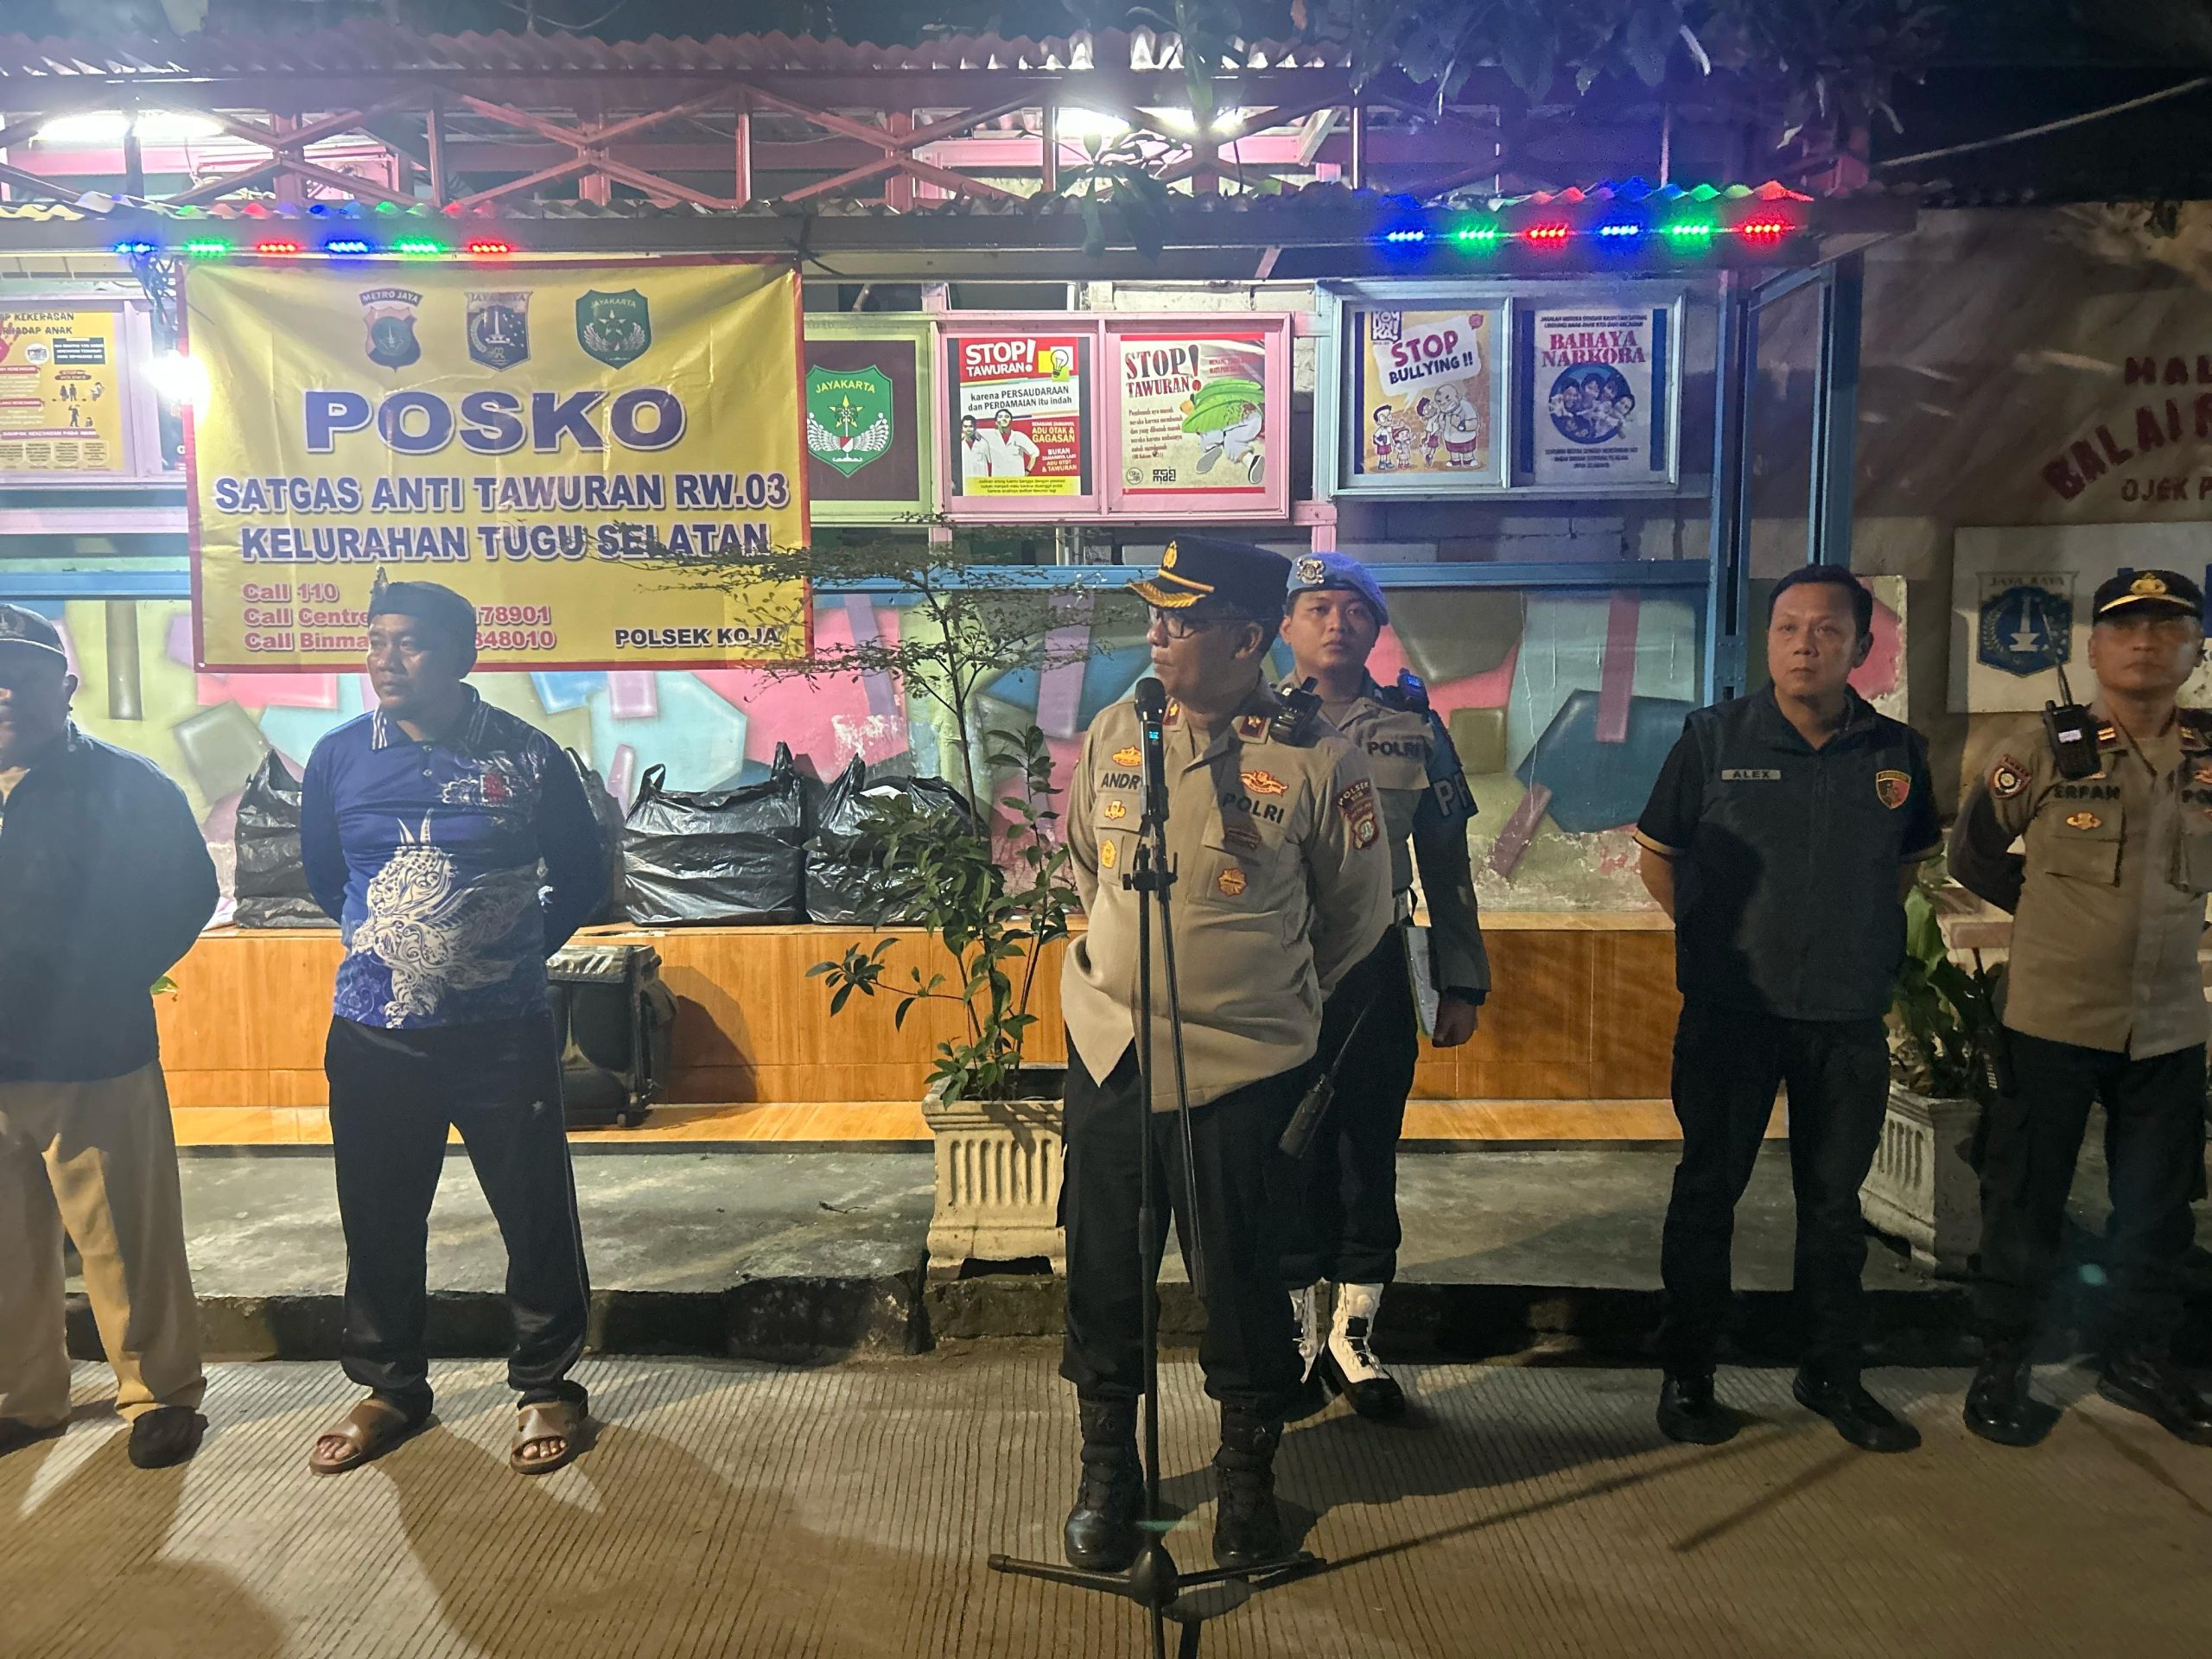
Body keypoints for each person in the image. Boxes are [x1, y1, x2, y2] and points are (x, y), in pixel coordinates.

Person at [1058, 537, 1391, 1573]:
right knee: (1104, 1273)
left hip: (1243, 1072)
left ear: (1247, 640)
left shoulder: (1318, 758)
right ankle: (1109, 1470)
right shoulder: (1118, 728)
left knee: (1246, 1284)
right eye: (1154, 615)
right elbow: (1086, 868)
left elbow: (1356, 916)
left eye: (1182, 618)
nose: (1156, 634)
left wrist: (1254, 997)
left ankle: (1248, 1482)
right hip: (1113, 1054)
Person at [300, 576, 606, 1478]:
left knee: (534, 1212)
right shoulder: (338, 757)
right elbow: (326, 876)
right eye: (375, 641)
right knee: (379, 1217)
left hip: (502, 1031)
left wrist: (510, 948)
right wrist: (402, 949)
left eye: (410, 642)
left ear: (463, 655)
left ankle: (547, 1383)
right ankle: (390, 1387)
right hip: (374, 1032)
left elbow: (581, 876)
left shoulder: (528, 755)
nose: (386, 660)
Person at [1635, 565, 1941, 1453]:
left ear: (1861, 647)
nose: (1805, 644)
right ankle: (1688, 1374)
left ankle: (1831, 1372)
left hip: (1844, 1018)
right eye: (1787, 628)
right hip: (1732, 1014)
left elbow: (1901, 868)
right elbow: (1658, 856)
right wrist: (1718, 941)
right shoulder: (1712, 738)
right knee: (1707, 1194)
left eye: (1826, 629)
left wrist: (1850, 947)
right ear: (1767, 641)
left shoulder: (1897, 753)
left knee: (1835, 1209)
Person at [1950, 569, 2212, 1447]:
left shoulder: (2208, 757)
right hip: (2052, 1018)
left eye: (2168, 628)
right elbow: (1973, 853)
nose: (2146, 643)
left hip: (2167, 1023)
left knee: (2157, 1209)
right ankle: (2003, 1360)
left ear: (2195, 650)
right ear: (2094, 649)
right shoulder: (2045, 748)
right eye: (2126, 628)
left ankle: (2139, 1358)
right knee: (2024, 1199)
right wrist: (2051, 918)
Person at [0, 603, 217, 1468]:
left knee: (124, 1237)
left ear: (65, 685)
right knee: (5, 1250)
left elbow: (185, 892)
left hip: (92, 1051)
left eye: (19, 674)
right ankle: (22, 1398)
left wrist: (97, 983)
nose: (2, 692)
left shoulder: (129, 786)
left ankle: (159, 1395)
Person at [1276, 553, 1488, 1421]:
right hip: (1275, 971)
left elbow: (1447, 862)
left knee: (1369, 1150)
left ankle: (1353, 1336)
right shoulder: (1251, 724)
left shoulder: (1413, 728)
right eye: (1317, 608)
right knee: (1283, 1152)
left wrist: (1463, 981)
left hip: (1378, 969)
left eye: (1354, 610)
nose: (1337, 623)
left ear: (1375, 628)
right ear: (1285, 626)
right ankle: (1293, 1334)